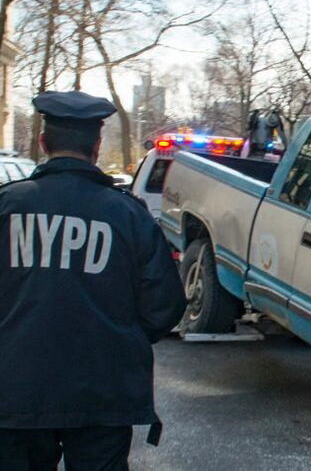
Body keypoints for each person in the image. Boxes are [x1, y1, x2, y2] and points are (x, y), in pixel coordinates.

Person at [0, 91, 186, 471]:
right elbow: (164, 306)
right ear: (97, 146)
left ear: (42, 142)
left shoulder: (7, 206)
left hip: (14, 390)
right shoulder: (128, 215)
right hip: (105, 390)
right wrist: (118, 336)